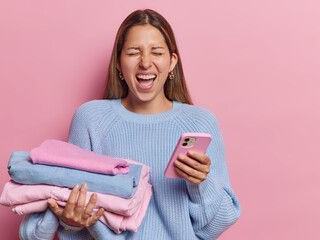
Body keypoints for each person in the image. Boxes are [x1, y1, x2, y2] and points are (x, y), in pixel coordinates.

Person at [19, 9, 241, 240]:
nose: (146, 63)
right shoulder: (91, 119)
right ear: (118, 62)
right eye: (134, 52)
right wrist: (70, 220)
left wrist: (200, 184)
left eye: (156, 52)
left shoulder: (200, 123)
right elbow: (72, 223)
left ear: (172, 62)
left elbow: (214, 226)